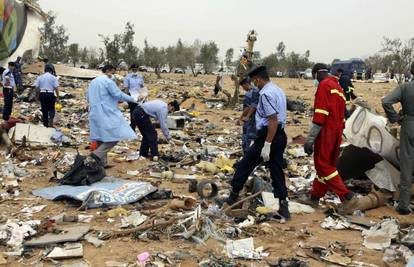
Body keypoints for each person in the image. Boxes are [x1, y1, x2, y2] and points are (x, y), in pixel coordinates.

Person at [225, 66, 290, 220]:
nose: (255, 84)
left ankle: (232, 198)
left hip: (269, 135)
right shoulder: (278, 90)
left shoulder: (266, 94)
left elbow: (272, 120)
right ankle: (284, 206)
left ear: (259, 79)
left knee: (244, 165)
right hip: (280, 135)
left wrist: (267, 144)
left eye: (255, 81)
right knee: (276, 169)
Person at [302, 63, 358, 214]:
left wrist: (310, 139)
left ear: (317, 74)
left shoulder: (324, 86)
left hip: (326, 132)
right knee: (326, 166)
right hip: (338, 132)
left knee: (323, 164)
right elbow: (344, 112)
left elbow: (320, 115)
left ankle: (347, 196)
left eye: (314, 77)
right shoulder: (338, 87)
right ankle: (315, 197)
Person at [87, 64, 137, 167]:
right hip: (106, 111)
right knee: (116, 135)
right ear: (109, 71)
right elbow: (117, 94)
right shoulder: (108, 81)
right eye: (113, 72)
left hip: (94, 111)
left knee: (101, 137)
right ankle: (95, 156)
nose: (114, 75)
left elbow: (88, 97)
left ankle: (102, 164)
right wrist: (133, 99)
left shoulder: (93, 82)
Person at [382, 62, 414, 215]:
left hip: (409, 126)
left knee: (407, 164)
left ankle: (403, 204)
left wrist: (395, 118)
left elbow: (386, 101)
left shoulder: (405, 87)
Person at [237, 77, 259, 154]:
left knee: (248, 138)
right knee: (249, 136)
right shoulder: (255, 90)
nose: (243, 89)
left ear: (246, 84)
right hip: (253, 118)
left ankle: (247, 155)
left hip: (252, 119)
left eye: (243, 87)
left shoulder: (251, 92)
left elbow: (250, 107)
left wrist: (243, 117)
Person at [123, 64, 146, 130]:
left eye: (136, 69)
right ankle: (132, 127)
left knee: (140, 111)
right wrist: (125, 99)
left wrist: (144, 95)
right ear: (131, 69)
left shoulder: (140, 77)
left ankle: (139, 126)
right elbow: (126, 88)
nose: (135, 70)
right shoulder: (128, 77)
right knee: (133, 111)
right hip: (131, 96)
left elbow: (142, 86)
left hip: (139, 96)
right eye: (133, 69)